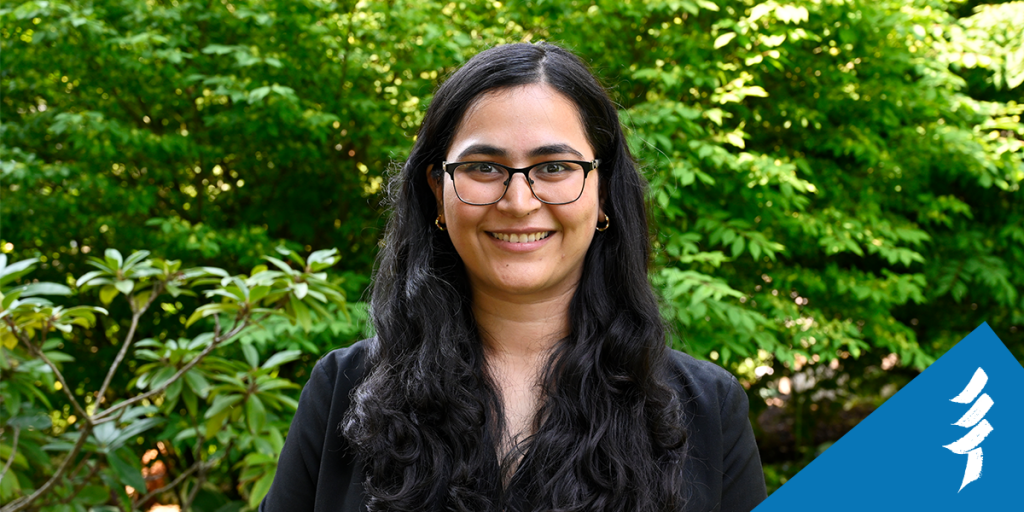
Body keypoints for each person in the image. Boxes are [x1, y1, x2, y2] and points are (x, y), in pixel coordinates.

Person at [261, 42, 766, 512]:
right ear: (438, 191)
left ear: (604, 191)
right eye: (484, 167)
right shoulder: (341, 390)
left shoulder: (708, 408)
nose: (519, 202)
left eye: (555, 167)